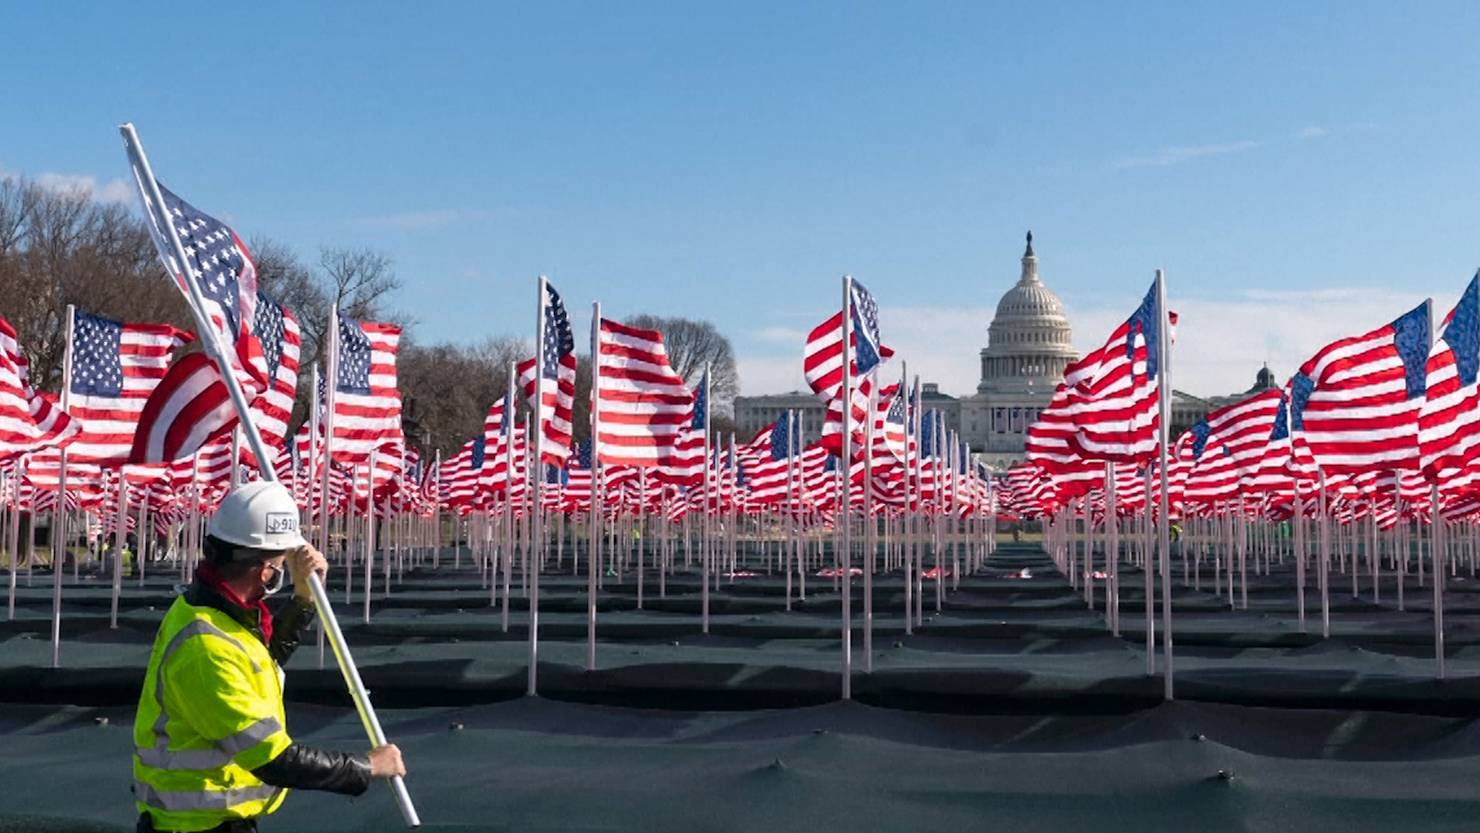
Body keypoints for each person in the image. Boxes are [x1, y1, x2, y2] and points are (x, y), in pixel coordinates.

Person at [132, 481, 406, 833]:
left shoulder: (216, 613)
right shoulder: (205, 647)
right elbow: (274, 759)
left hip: (215, 821)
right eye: (279, 564)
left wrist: (304, 600)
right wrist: (367, 766)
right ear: (264, 571)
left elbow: (263, 658)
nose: (281, 572)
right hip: (195, 826)